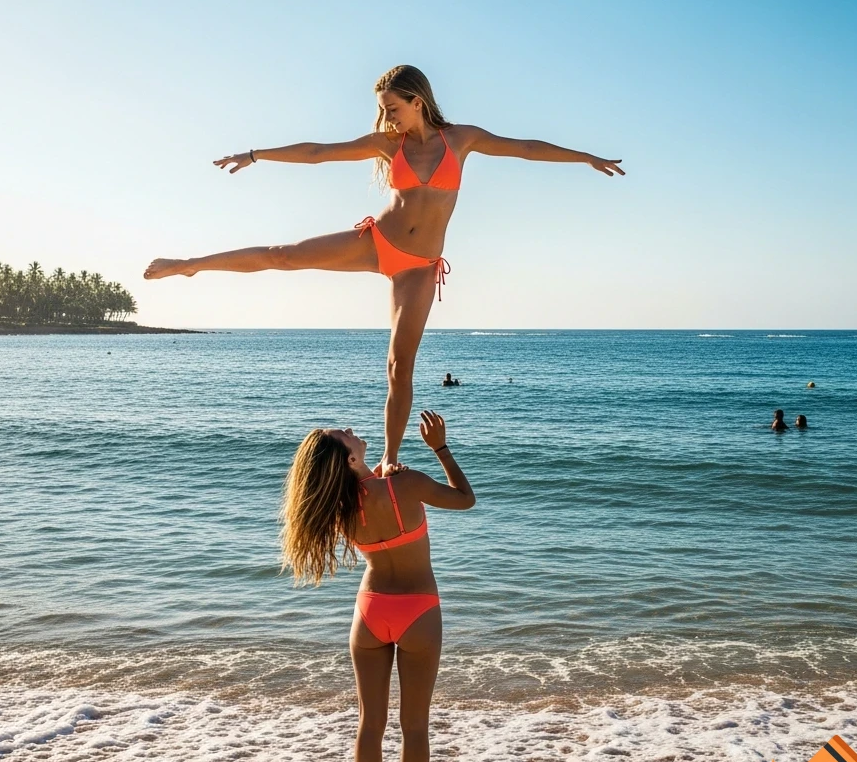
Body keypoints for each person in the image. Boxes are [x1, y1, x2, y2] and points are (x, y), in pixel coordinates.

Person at [145, 65, 623, 474]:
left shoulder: (462, 139)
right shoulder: (386, 144)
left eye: (392, 108)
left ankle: (389, 457)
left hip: (419, 268)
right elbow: (318, 152)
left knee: (399, 365)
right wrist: (255, 154)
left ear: (417, 101)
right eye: (384, 110)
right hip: (377, 243)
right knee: (284, 255)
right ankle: (190, 266)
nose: (386, 116)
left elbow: (525, 147)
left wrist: (586, 158)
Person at [280, 410, 475, 762]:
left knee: (370, 724)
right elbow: (465, 498)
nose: (351, 431)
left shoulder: (340, 507)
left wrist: (384, 470)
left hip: (369, 612)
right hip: (418, 610)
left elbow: (372, 492)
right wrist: (440, 448)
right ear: (349, 459)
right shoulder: (404, 484)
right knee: (415, 726)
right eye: (344, 436)